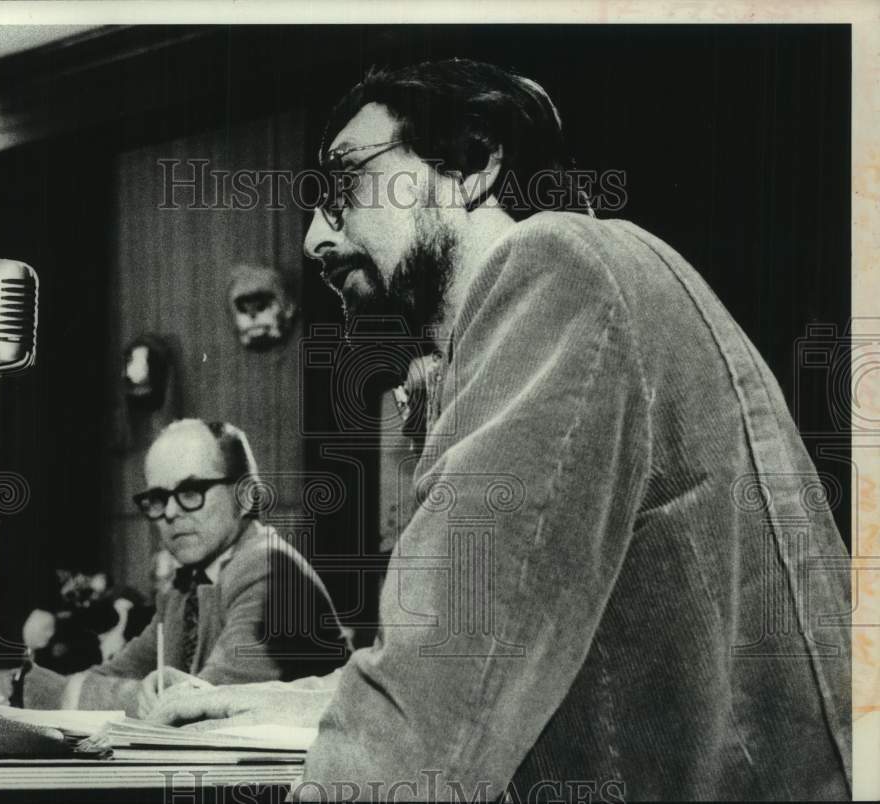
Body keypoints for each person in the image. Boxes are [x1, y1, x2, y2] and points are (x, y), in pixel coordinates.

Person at [153, 59, 851, 801]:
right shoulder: (578, 291)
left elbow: (443, 692)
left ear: (471, 165)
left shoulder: (554, 266)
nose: (314, 241)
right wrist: (279, 702)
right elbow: (490, 659)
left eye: (342, 184)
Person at [10, 418, 350, 717]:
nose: (170, 512)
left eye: (190, 491)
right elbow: (115, 674)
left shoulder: (273, 573)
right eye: (158, 498)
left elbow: (203, 707)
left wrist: (60, 692)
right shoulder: (184, 586)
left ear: (245, 495)